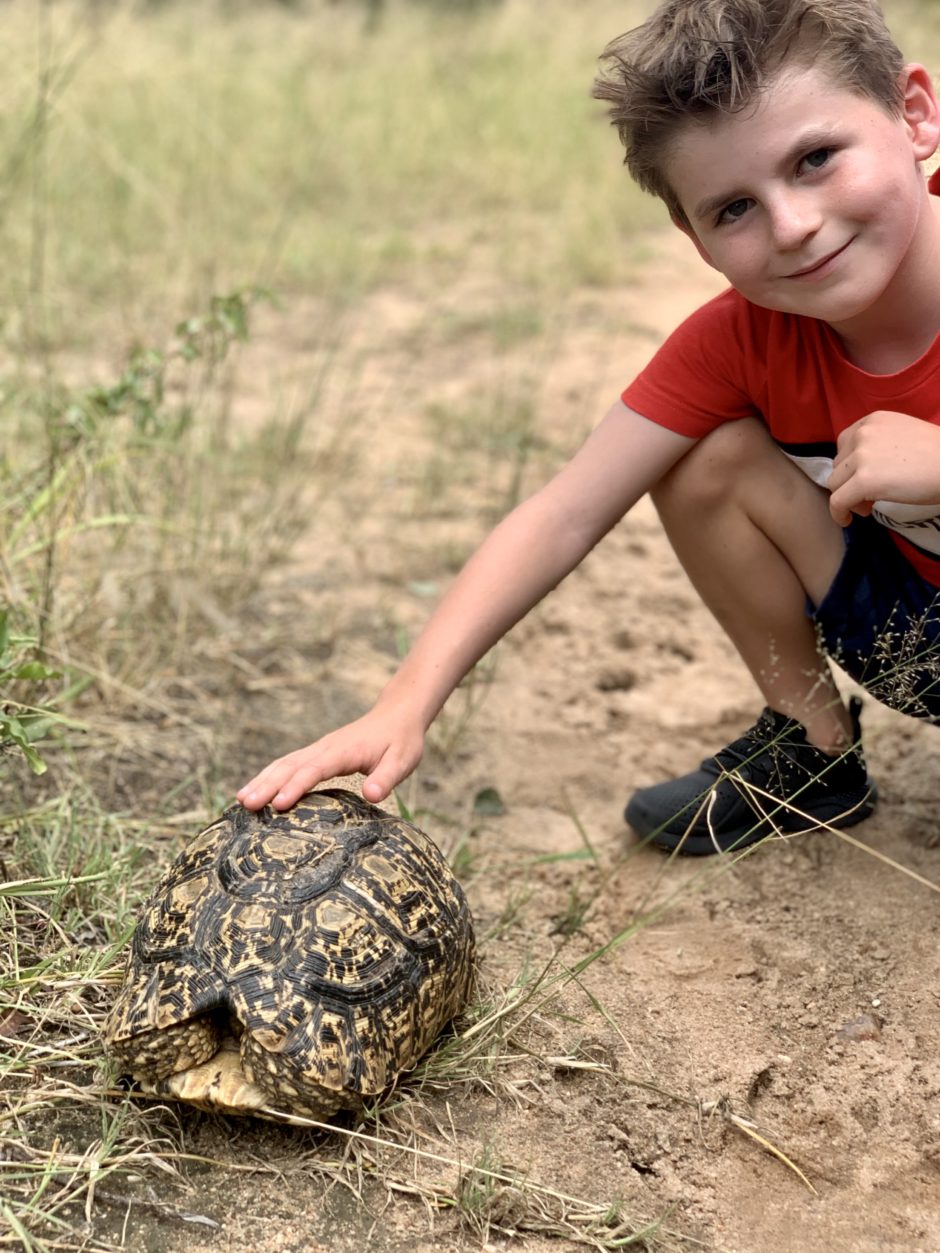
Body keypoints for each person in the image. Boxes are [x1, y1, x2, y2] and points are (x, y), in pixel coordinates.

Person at [239, 0, 940, 856]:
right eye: (734, 209)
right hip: (916, 643)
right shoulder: (740, 339)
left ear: (914, 115)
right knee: (700, 459)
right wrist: (404, 703)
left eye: (816, 158)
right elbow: (564, 512)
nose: (792, 226)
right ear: (693, 236)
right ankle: (813, 752)